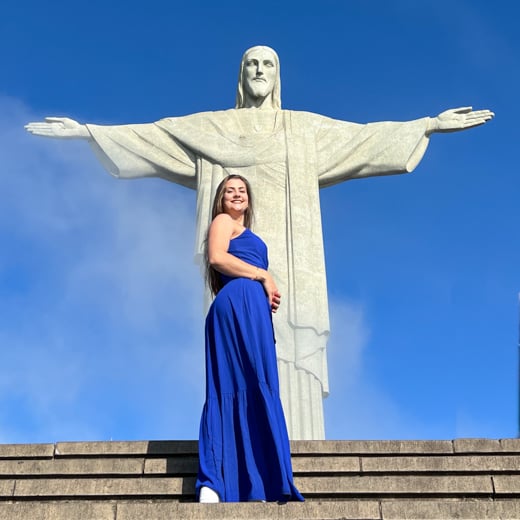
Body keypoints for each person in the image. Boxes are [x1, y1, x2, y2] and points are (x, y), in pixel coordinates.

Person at [25, 45, 494, 440]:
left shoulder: (301, 130)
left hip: (295, 253)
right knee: (242, 355)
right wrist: (89, 132)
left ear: (278, 76)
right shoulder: (211, 129)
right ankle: (242, 447)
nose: (258, 71)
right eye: (250, 64)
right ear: (239, 75)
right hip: (240, 270)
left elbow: (362, 139)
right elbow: (155, 136)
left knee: (291, 340)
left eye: (267, 64)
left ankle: (292, 452)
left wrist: (427, 124)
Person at [196, 174, 303, 503]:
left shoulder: (248, 232)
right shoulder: (223, 221)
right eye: (230, 190)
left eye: (242, 190)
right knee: (228, 386)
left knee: (256, 384)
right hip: (237, 301)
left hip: (254, 311)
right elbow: (217, 257)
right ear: (221, 199)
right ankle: (213, 481)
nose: (236, 194)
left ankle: (255, 481)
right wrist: (262, 275)